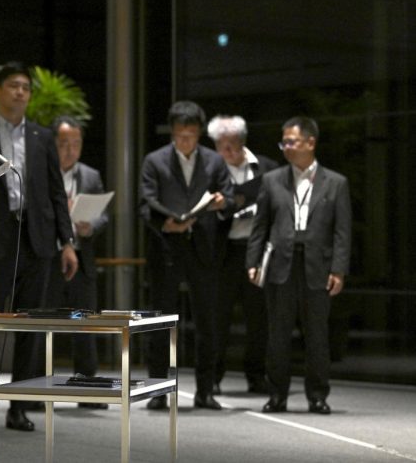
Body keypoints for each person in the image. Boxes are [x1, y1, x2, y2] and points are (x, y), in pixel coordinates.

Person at [0, 62, 78, 432]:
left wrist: (67, 242)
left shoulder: (42, 138)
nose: (20, 92)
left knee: (30, 328)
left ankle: (19, 408)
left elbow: (57, 194)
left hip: (37, 243)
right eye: (13, 85)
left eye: (25, 87)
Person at [247, 116, 351, 415]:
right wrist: (253, 262)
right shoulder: (272, 180)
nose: (286, 148)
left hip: (318, 265)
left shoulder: (336, 183)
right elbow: (260, 226)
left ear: (310, 143)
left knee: (317, 336)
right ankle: (277, 394)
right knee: (277, 335)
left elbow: (342, 232)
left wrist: (339, 269)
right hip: (281, 264)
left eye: (291, 142)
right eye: (284, 142)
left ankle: (317, 396)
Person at [139, 100, 233, 411]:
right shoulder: (155, 161)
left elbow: (228, 196)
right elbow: (145, 202)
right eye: (180, 135)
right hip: (167, 247)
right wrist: (164, 222)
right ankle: (157, 390)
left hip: (203, 248)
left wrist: (221, 203)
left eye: (191, 135)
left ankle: (206, 390)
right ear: (172, 132)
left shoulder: (214, 162)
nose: (185, 141)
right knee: (160, 320)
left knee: (207, 321)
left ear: (200, 133)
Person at [208, 115, 278, 395]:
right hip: (224, 251)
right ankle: (213, 375)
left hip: (256, 249)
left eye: (232, 144)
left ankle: (256, 374)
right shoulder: (211, 172)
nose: (227, 151)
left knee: (259, 317)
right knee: (217, 317)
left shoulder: (267, 168)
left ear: (242, 141)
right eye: (221, 146)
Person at [45, 115, 109, 409]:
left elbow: (104, 215)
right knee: (42, 324)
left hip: (82, 259)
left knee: (86, 324)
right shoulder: (42, 172)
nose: (71, 149)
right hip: (49, 258)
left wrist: (90, 225)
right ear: (53, 144)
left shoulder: (91, 175)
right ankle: (36, 390)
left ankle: (87, 388)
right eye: (64, 143)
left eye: (76, 143)